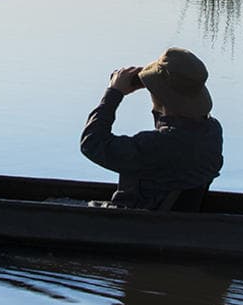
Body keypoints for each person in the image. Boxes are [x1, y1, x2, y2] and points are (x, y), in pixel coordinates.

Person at [80, 47, 223, 210]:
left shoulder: (154, 146)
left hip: (134, 221)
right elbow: (174, 135)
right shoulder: (212, 132)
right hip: (178, 219)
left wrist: (113, 93)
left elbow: (92, 143)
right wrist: (159, 96)